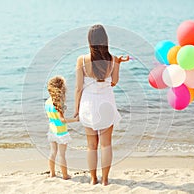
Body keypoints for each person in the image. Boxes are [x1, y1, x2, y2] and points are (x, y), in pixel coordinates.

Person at [74, 24, 129, 185]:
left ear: (90, 41)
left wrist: (76, 110)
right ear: (105, 40)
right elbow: (114, 82)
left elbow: (78, 88)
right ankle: (105, 180)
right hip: (107, 104)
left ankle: (93, 179)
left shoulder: (82, 60)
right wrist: (117, 63)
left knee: (91, 145)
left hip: (88, 105)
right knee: (106, 144)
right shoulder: (111, 59)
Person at [45, 76, 79, 180]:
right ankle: (65, 175)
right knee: (62, 155)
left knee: (53, 152)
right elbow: (62, 120)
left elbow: (52, 117)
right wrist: (76, 119)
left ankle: (52, 173)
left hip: (52, 130)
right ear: (61, 89)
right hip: (61, 132)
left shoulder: (47, 102)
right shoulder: (58, 103)